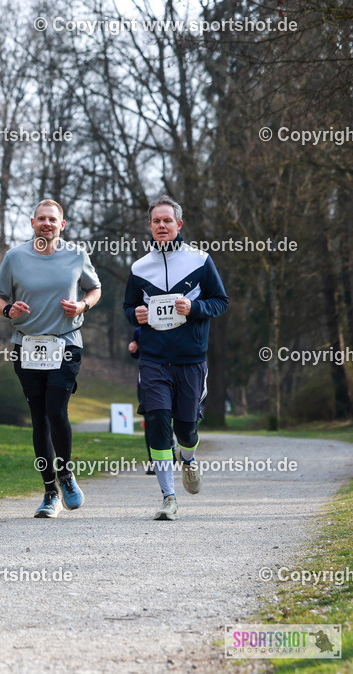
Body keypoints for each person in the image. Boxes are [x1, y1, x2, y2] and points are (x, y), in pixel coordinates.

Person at [0, 200, 101, 518]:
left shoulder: (76, 254)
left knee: (55, 411)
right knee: (38, 418)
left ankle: (65, 474)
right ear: (32, 223)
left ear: (62, 225)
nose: (46, 224)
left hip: (66, 343)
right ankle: (50, 492)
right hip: (27, 345)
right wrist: (8, 310)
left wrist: (82, 306)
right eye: (41, 219)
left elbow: (94, 289)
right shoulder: (15, 256)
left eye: (52, 219)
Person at [123, 194, 228, 520]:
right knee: (157, 421)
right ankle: (168, 497)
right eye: (156, 221)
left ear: (179, 224)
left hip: (191, 358)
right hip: (154, 359)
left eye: (167, 220)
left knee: (186, 430)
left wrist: (194, 307)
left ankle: (189, 459)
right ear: (150, 226)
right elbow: (128, 307)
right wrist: (136, 314)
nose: (162, 225)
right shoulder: (139, 267)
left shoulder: (200, 260)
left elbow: (220, 301)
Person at [128, 327, 157, 475]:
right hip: (145, 382)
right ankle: (153, 461)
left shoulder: (172, 323)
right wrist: (133, 349)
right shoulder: (140, 330)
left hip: (169, 379)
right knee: (149, 420)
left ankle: (171, 448)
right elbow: (136, 355)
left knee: (166, 418)